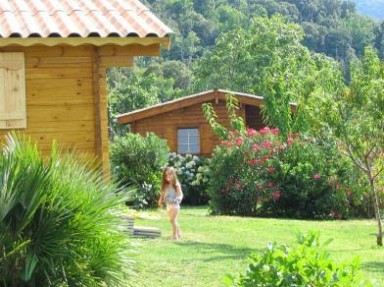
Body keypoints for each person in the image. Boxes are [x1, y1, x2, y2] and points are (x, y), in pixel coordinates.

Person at [158, 166, 183, 240]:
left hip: (175, 205)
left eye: (169, 174)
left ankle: (175, 236)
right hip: (168, 205)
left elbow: (180, 194)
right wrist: (160, 200)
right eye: (166, 175)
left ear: (173, 175)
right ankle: (179, 233)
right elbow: (163, 193)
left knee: (172, 220)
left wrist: (179, 198)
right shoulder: (165, 185)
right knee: (173, 221)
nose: (168, 176)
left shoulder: (176, 184)